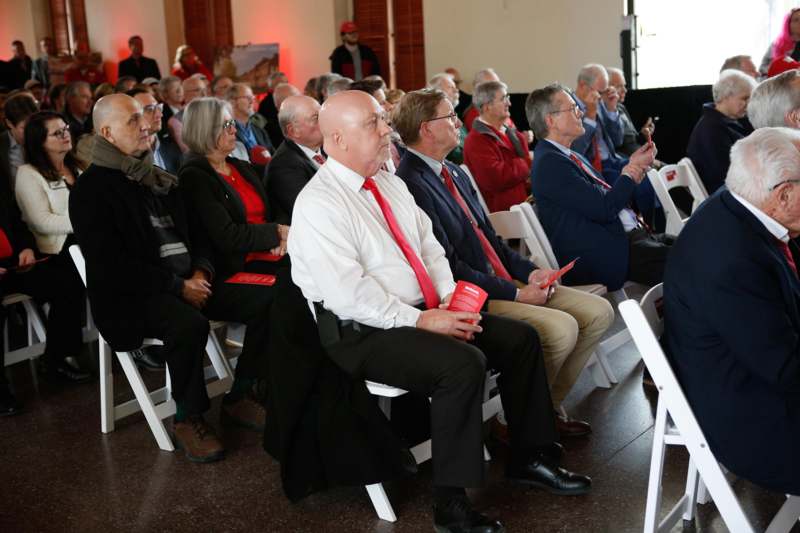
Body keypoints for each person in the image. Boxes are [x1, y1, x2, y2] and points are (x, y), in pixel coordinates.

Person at [289, 90, 591, 532]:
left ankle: (531, 456)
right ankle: (450, 505)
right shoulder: (319, 203)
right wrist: (424, 319)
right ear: (337, 138)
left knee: (520, 339)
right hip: (363, 330)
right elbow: (348, 294)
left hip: (423, 310)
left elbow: (430, 250)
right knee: (461, 365)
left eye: (383, 120)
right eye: (373, 123)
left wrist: (451, 301)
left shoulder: (388, 182)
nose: (387, 129)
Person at [395, 88, 614, 432]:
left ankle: (544, 411)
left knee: (598, 312)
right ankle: (524, 421)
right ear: (426, 128)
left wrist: (533, 272)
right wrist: (516, 294)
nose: (458, 124)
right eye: (450, 117)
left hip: (499, 278)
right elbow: (449, 267)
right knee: (561, 329)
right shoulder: (410, 183)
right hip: (470, 295)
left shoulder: (452, 171)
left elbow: (491, 242)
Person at [70, 93, 225, 461]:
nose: (146, 125)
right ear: (106, 132)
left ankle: (248, 389)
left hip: (186, 279)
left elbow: (197, 234)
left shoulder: (153, 176)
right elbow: (113, 265)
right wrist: (178, 286)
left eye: (145, 116)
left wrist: (202, 270)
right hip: (131, 296)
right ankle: (189, 418)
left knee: (272, 296)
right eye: (133, 121)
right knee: (188, 325)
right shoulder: (91, 190)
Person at [663, 127, 800, 496]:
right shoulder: (732, 259)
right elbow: (787, 368)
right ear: (783, 194)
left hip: (759, 382)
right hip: (759, 424)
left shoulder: (740, 204)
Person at [179, 97, 289, 428]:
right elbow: (226, 236)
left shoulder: (240, 166)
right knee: (278, 297)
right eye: (227, 125)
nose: (234, 130)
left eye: (232, 124)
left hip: (264, 260)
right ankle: (243, 391)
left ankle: (282, 379)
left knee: (311, 282)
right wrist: (275, 234)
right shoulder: (195, 176)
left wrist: (281, 235)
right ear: (205, 131)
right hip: (226, 273)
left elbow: (275, 209)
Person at [527, 83, 666, 291]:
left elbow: (605, 198)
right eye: (573, 108)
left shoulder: (567, 155)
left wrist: (635, 169)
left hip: (623, 237)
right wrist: (632, 169)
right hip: (607, 252)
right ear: (551, 121)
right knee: (691, 260)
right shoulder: (551, 163)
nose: (580, 112)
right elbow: (605, 208)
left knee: (693, 242)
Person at [5, 111, 90, 383]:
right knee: (70, 284)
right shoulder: (28, 174)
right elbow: (41, 221)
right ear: (40, 142)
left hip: (82, 244)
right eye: (57, 133)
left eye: (66, 129)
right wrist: (88, 222)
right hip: (51, 250)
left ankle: (128, 341)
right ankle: (57, 357)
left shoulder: (78, 165)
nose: (66, 135)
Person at [463, 80, 531, 212]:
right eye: (503, 99)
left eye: (508, 98)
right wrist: (525, 163)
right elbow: (494, 178)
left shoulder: (512, 134)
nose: (509, 103)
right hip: (503, 214)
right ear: (487, 106)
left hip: (522, 205)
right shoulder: (477, 140)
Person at [686, 70, 756, 194]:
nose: (748, 103)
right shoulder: (712, 129)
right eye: (744, 98)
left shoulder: (723, 122)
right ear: (726, 96)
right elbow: (726, 175)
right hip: (725, 195)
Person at [266, 95, 323, 222]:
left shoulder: (327, 150)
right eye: (316, 118)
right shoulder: (283, 166)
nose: (325, 121)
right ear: (293, 131)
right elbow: (312, 213)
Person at [129, 87, 181, 174]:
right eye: (150, 109)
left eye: (159, 108)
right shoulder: (129, 155)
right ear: (132, 116)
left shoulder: (170, 141)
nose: (159, 115)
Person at [606, 67, 655, 157]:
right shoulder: (604, 112)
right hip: (629, 161)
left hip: (641, 155)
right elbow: (616, 145)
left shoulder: (621, 108)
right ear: (606, 87)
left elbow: (632, 141)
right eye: (619, 86)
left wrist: (643, 134)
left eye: (624, 86)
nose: (625, 90)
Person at [226, 83, 274, 163]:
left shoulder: (260, 131)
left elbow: (273, 155)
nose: (252, 101)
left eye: (252, 97)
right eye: (247, 97)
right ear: (232, 102)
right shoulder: (226, 130)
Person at [427, 73, 468, 165]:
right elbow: (453, 154)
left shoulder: (457, 116)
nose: (456, 90)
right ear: (436, 91)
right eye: (450, 87)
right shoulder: (435, 118)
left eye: (455, 86)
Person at [1, 94, 38, 191]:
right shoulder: (2, 145)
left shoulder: (43, 139)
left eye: (33, 125)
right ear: (9, 123)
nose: (30, 131)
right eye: (24, 128)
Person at [169, 76, 207, 153]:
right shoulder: (176, 121)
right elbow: (188, 150)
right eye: (198, 90)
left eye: (204, 90)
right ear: (184, 93)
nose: (204, 94)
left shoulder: (215, 112)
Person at [759, 8, 800, 75]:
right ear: (788, 24)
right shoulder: (777, 44)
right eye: (796, 20)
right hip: (779, 82)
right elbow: (763, 68)